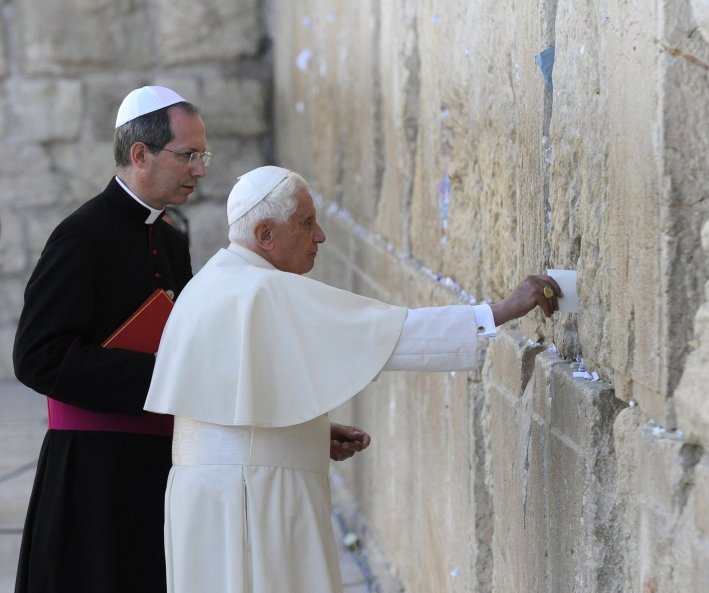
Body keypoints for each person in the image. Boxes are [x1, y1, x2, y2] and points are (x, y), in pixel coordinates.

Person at [144, 165, 562, 593]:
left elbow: (234, 409)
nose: (320, 236)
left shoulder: (215, 280)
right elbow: (390, 336)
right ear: (266, 234)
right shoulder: (264, 290)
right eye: (306, 224)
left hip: (207, 497)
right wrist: (499, 312)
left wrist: (309, 432)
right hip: (253, 499)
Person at [10, 86, 207, 593]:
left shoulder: (170, 239)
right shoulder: (80, 236)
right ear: (140, 154)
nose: (199, 170)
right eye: (188, 156)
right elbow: (36, 357)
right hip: (92, 471)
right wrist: (161, 376)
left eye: (201, 156)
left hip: (158, 464)